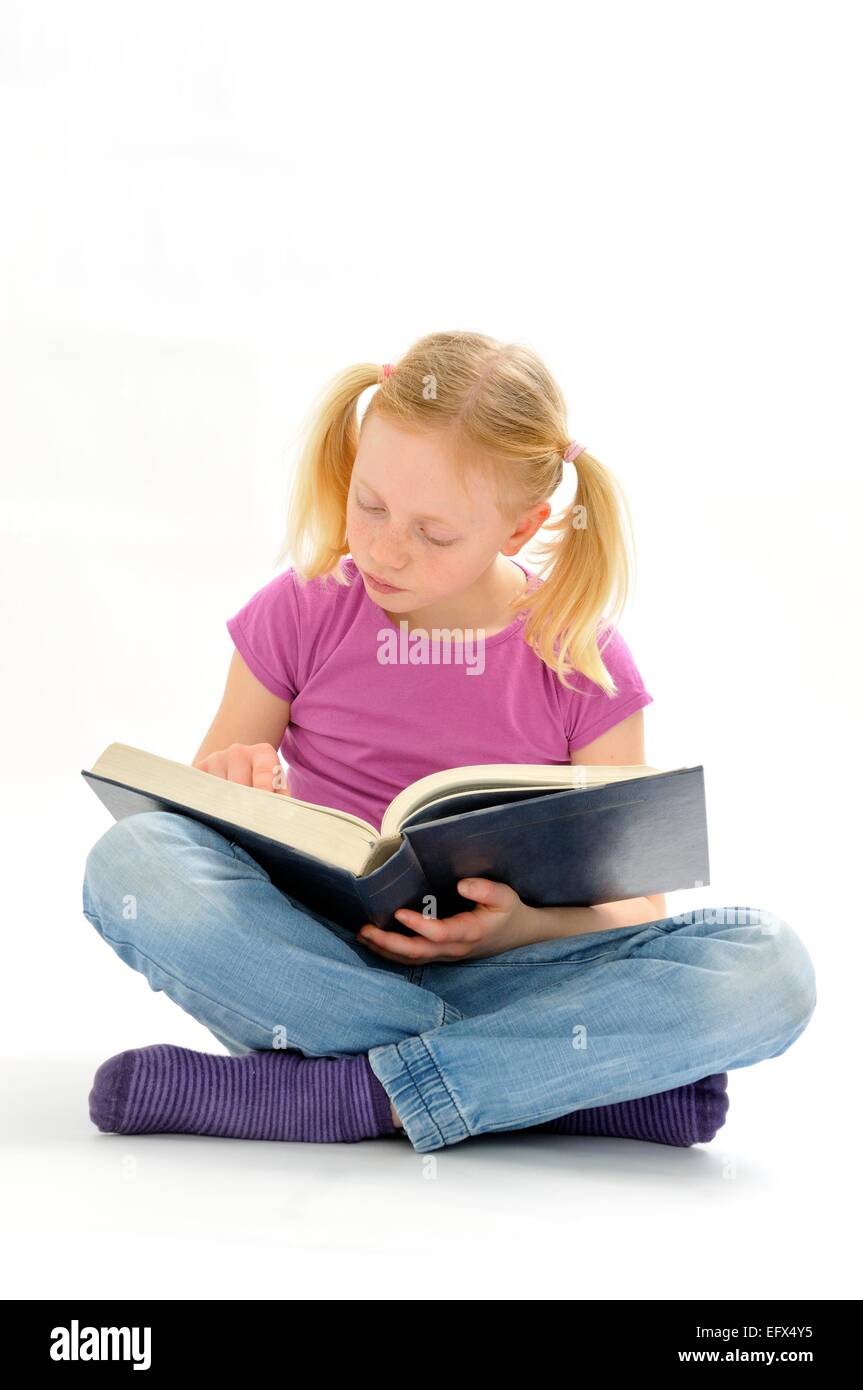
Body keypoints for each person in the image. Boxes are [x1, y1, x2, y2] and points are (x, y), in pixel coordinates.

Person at [81, 330, 816, 1154]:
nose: (386, 547)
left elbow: (636, 909)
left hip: (513, 972)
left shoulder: (581, 658)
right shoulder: (300, 611)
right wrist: (234, 783)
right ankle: (560, 1090)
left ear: (519, 527)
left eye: (434, 533)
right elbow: (196, 816)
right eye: (370, 505)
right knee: (133, 863)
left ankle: (349, 1094)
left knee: (770, 968)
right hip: (320, 959)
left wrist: (521, 930)